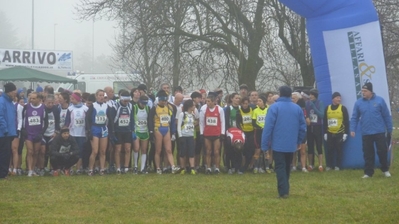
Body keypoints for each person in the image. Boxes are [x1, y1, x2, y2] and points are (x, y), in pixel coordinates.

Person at [261, 86, 306, 198]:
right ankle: (285, 187)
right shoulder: (297, 108)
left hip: (278, 143)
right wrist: (300, 140)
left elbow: (268, 127)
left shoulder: (274, 107)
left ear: (280, 94)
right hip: (291, 143)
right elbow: (303, 127)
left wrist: (264, 145)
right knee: (287, 166)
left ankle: (283, 191)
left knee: (280, 166)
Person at [350, 82, 392, 178]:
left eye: (365, 91)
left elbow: (386, 115)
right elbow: (355, 117)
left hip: (379, 131)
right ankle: (368, 172)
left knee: (382, 151)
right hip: (366, 132)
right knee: (368, 153)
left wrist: (389, 128)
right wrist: (353, 129)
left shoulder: (380, 100)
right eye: (362, 91)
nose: (363, 93)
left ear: (371, 91)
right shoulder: (358, 103)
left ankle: (385, 169)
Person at [199, 92, 225, 174]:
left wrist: (222, 133)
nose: (207, 103)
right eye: (206, 101)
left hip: (216, 134)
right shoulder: (204, 109)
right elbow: (201, 122)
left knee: (216, 151)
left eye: (209, 101)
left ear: (214, 102)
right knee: (208, 151)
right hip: (207, 134)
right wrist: (201, 133)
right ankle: (208, 167)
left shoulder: (219, 109)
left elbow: (222, 121)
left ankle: (217, 167)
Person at [323, 92, 349, 171]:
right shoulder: (327, 108)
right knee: (329, 150)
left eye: (340, 98)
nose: (339, 99)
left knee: (339, 150)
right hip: (330, 132)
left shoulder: (342, 108)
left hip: (339, 132)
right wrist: (325, 133)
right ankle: (329, 165)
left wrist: (345, 133)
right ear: (333, 99)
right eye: (337, 97)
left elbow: (346, 121)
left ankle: (338, 166)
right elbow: (325, 121)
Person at [0, 83, 17, 180]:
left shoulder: (10, 102)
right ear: (9, 91)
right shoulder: (2, 101)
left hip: (8, 133)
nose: (15, 93)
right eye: (14, 91)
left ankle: (3, 172)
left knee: (6, 153)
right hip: (3, 133)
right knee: (4, 154)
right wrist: (6, 130)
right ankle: (2, 174)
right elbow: (0, 117)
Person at [305, 88, 324, 171]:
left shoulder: (320, 103)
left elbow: (321, 115)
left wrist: (314, 107)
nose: (310, 96)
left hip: (317, 126)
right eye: (310, 95)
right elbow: (305, 113)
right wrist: (307, 117)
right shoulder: (307, 103)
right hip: (310, 126)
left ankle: (320, 165)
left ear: (315, 96)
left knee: (319, 145)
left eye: (312, 95)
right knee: (310, 146)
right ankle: (310, 164)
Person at [177, 99, 197, 175]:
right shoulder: (182, 114)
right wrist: (180, 136)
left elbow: (193, 125)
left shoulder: (193, 115)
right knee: (183, 153)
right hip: (183, 136)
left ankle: (192, 168)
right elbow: (179, 126)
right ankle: (183, 168)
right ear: (190, 106)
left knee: (191, 152)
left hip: (190, 136)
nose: (194, 107)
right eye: (193, 105)